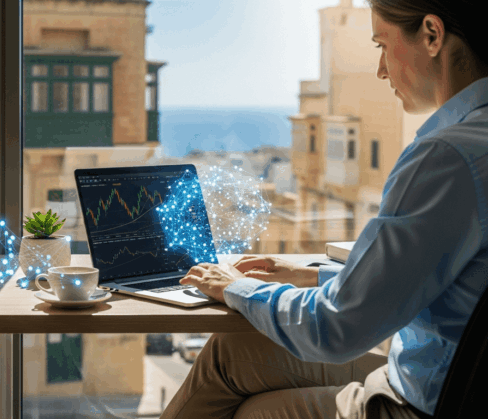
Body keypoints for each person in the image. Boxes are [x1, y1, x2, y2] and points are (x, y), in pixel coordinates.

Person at [162, 0, 488, 418]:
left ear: (431, 35)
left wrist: (233, 287)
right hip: (449, 379)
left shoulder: (446, 158)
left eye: (382, 45)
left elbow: (338, 328)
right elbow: (437, 280)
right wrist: (313, 275)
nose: (381, 70)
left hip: (423, 400)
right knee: (233, 353)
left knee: (254, 410)